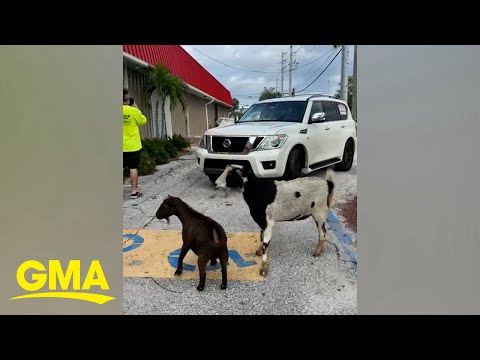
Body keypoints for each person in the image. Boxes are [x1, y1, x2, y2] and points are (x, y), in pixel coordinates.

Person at [123, 88, 147, 199]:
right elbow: (143, 121)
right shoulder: (134, 111)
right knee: (133, 168)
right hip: (132, 146)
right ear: (127, 99)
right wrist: (137, 109)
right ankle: (134, 192)